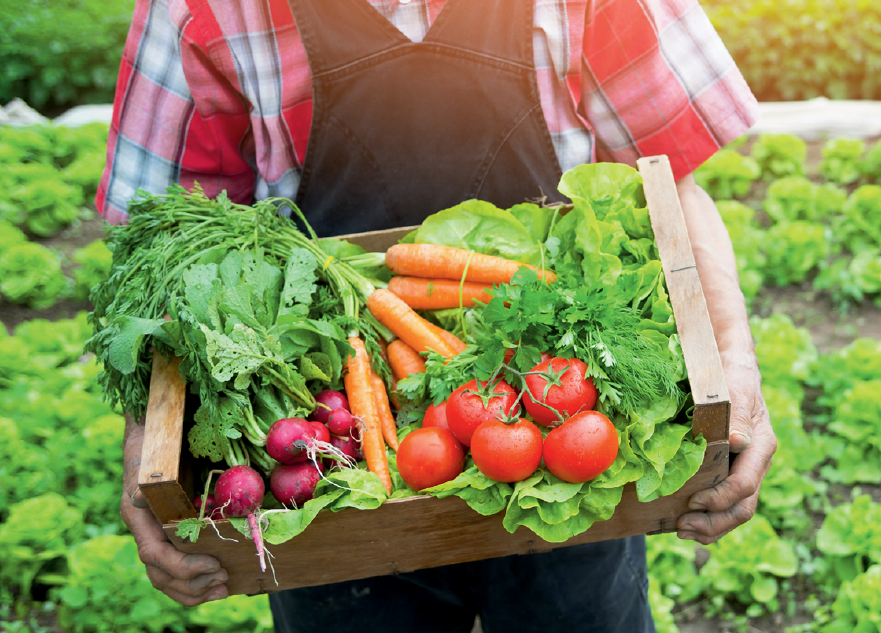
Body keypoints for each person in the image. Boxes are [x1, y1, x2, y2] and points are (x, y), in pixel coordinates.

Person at [102, 0, 776, 630]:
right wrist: (149, 448)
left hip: (561, 435)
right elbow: (166, 253)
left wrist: (736, 374)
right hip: (339, 466)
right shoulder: (203, 9)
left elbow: (671, 178)